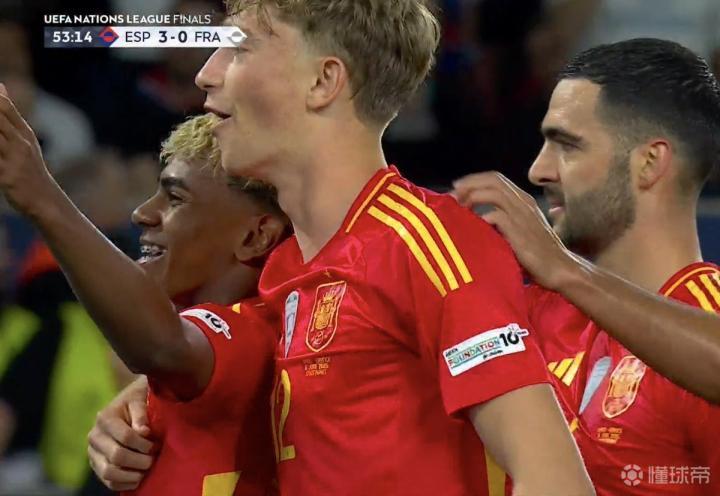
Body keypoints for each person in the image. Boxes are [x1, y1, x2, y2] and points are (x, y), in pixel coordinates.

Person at [196, 1, 595, 495]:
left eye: (238, 48)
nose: (205, 74)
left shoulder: (424, 242)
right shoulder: (285, 266)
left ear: (323, 81)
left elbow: (556, 482)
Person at [453, 38, 720, 495]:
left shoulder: (704, 313)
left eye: (568, 146)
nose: (538, 170)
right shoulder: (535, 312)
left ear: (649, 163)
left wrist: (568, 270)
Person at [0, 106, 288, 495]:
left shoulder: (259, 334)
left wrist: (41, 197)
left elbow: (164, 346)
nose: (142, 213)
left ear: (255, 237)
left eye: (175, 198)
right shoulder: (178, 368)